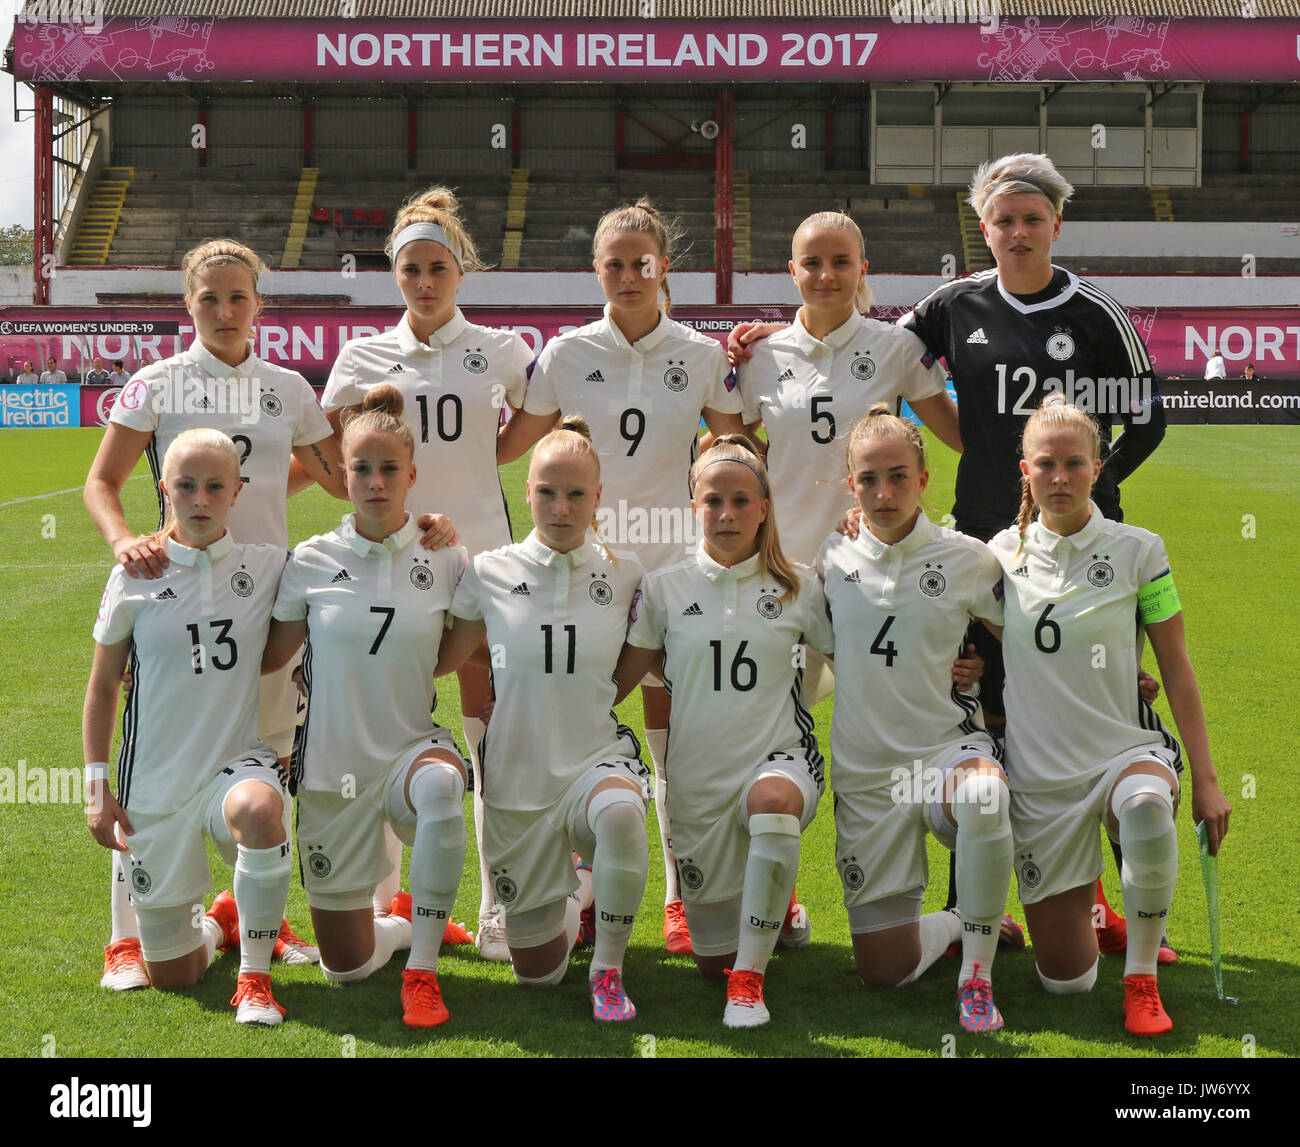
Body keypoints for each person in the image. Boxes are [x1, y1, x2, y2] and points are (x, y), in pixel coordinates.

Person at [83, 238, 348, 991]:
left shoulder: (289, 388)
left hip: (266, 594)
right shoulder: (157, 382)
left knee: (266, 749)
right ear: (189, 304)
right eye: (211, 298)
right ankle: (126, 936)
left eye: (239, 297)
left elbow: (333, 478)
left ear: (260, 303)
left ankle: (251, 909)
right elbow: (101, 482)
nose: (226, 310)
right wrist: (125, 540)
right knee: (156, 754)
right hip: (179, 590)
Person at [496, 200, 750, 955]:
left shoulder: (701, 355)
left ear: (664, 267)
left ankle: (683, 892)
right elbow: (511, 447)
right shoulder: (567, 353)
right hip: (586, 576)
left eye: (643, 261)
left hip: (674, 573)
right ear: (597, 270)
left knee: (681, 744)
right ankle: (576, 888)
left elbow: (737, 444)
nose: (630, 274)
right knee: (578, 728)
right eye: (615, 262)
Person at [321, 187, 535, 964]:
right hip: (387, 574)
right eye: (410, 269)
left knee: (492, 746)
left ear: (460, 271)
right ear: (395, 274)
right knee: (377, 736)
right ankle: (378, 905)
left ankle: (498, 906)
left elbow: (533, 436)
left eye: (437, 267)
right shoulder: (360, 358)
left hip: (482, 572)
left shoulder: (505, 351)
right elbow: (335, 457)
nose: (424, 281)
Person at [990, 394, 1230, 1035]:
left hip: (1125, 751)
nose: (1060, 477)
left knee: (1148, 804)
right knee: (1065, 982)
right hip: (1041, 781)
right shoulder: (996, 556)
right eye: (1046, 464)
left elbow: (1176, 669)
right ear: (1025, 470)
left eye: (1075, 463)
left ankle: (1143, 979)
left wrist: (1205, 779)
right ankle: (1094, 911)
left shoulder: (1142, 551)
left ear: (1099, 468)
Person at [262, 386, 471, 1027]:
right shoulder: (309, 561)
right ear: (341, 474)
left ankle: (423, 971)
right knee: (346, 968)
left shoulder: (447, 556)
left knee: (441, 786)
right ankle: (402, 927)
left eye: (389, 470)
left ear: (412, 475)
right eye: (361, 468)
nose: (375, 482)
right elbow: (267, 656)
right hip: (331, 772)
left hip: (410, 749)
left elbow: (446, 660)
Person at [438, 417, 652, 1021]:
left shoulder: (625, 573)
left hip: (594, 760)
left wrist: (585, 699)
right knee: (536, 975)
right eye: (547, 492)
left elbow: (640, 658)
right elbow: (448, 654)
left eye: (577, 494)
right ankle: (581, 885)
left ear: (598, 498)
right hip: (517, 777)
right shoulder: (488, 570)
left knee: (619, 814)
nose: (561, 507)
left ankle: (608, 970)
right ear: (526, 492)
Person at [615, 436, 832, 1027]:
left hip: (780, 760)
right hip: (696, 784)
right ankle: (765, 911)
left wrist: (953, 670)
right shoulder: (664, 589)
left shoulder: (801, 586)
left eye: (741, 501)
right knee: (710, 959)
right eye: (714, 501)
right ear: (694, 508)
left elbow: (862, 661)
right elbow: (617, 683)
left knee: (773, 804)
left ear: (764, 507)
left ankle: (750, 981)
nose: (728, 514)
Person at [84, 429, 293, 1025]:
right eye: (185, 486)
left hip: (234, 766)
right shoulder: (134, 575)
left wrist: (435, 526)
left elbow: (348, 556)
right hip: (156, 782)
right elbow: (102, 688)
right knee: (174, 976)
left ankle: (255, 979)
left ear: (237, 493)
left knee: (258, 810)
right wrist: (97, 790)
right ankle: (218, 924)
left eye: (215, 486)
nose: (200, 498)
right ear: (163, 489)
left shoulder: (269, 565)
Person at [817, 405, 1012, 1031]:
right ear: (851, 486)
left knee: (984, 796)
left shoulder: (969, 559)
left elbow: (1037, 639)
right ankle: (961, 920)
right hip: (868, 776)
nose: (884, 493)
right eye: (868, 479)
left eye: (898, 476)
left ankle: (977, 977)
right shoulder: (828, 561)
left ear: (924, 479)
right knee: (885, 972)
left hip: (944, 755)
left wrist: (980, 666)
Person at [734, 210, 960, 706]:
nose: (826, 275)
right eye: (811, 263)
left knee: (886, 712)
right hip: (785, 567)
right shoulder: (762, 356)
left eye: (841, 262)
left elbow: (961, 437)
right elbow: (733, 441)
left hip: (874, 567)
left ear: (863, 269)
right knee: (775, 717)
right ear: (792, 271)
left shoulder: (898, 348)